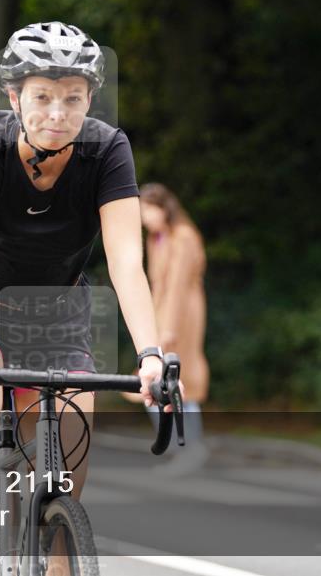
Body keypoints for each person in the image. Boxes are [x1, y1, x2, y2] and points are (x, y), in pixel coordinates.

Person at [0, 21, 175, 576]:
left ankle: (57, 556)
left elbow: (127, 260)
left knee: (76, 422)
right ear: (14, 96)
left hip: (55, 316)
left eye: (73, 99)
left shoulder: (107, 151)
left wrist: (150, 354)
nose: (58, 113)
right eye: (42, 97)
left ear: (89, 100)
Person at [124, 182, 210, 468]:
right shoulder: (156, 238)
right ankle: (179, 448)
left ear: (163, 208)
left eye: (148, 210)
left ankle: (190, 447)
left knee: (180, 378)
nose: (144, 217)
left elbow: (178, 286)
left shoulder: (183, 236)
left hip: (182, 312)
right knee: (156, 382)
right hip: (161, 311)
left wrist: (169, 327)